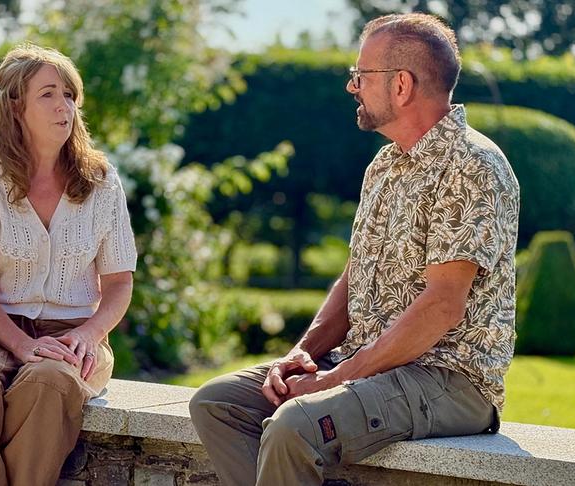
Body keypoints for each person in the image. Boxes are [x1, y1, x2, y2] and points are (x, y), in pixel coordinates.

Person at [189, 13, 520, 486]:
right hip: (369, 362)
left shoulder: (473, 166)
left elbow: (441, 306)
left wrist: (334, 379)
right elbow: (355, 275)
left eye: (360, 75)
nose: (352, 86)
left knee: (294, 426)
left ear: (401, 85)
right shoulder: (384, 166)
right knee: (216, 403)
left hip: (448, 379)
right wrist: (302, 354)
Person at [0, 44, 137, 486]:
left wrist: (87, 334)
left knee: (47, 382)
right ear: (16, 106)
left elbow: (119, 283)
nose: (65, 106)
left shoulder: (102, 182)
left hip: (75, 335)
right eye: (48, 94)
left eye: (69, 94)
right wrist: (21, 346)